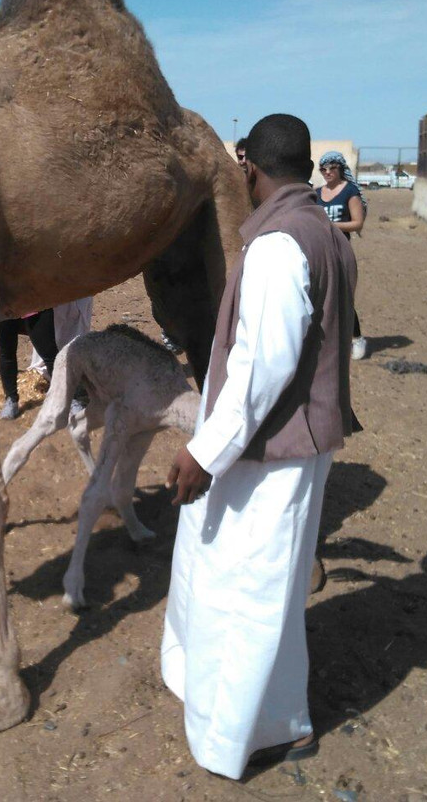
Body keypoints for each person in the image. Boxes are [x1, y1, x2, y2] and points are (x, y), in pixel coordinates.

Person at [162, 114, 360, 780]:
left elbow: (261, 365)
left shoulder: (280, 246)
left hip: (274, 450)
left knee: (251, 590)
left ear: (249, 169)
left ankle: (249, 733)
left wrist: (204, 452)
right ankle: (271, 717)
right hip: (279, 445)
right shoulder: (322, 232)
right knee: (256, 585)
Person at [316, 150, 368, 360]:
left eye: (332, 168)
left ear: (340, 168)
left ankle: (356, 337)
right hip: (320, 250)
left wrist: (331, 226)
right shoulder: (317, 193)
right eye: (324, 169)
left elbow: (358, 223)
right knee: (320, 296)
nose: (328, 172)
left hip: (340, 249)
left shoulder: (350, 192)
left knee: (343, 297)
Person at [0, 308, 59, 420]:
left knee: (50, 353)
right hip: (5, 303)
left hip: (35, 301)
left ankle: (68, 398)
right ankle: (11, 399)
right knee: (6, 351)